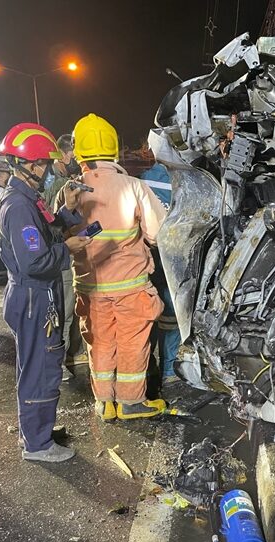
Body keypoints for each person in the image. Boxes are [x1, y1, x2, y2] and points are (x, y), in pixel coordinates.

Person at [63, 113, 167, 421]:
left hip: (89, 288)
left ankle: (104, 402)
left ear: (78, 150)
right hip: (130, 285)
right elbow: (157, 234)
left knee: (100, 343)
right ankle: (131, 402)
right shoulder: (133, 187)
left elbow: (62, 232)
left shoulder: (69, 191)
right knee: (132, 343)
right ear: (114, 148)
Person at [0, 122, 91, 462]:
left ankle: (35, 431)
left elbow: (47, 232)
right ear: (28, 165)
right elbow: (35, 262)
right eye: (44, 164)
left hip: (35, 296)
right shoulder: (19, 207)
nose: (48, 169)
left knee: (36, 366)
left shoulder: (29, 199)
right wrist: (69, 249)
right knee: (41, 369)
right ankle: (38, 446)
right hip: (35, 297)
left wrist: (67, 211)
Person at [43, 134, 88, 380]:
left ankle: (68, 355)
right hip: (59, 255)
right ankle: (56, 364)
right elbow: (53, 225)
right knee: (63, 312)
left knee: (66, 311)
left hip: (61, 253)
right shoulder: (55, 184)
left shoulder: (59, 181)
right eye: (70, 153)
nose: (72, 158)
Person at [139, 162, 180, 390]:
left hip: (144, 259)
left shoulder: (140, 180)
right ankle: (168, 370)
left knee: (147, 317)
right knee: (171, 317)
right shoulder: (181, 178)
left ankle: (147, 368)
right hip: (170, 258)